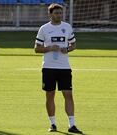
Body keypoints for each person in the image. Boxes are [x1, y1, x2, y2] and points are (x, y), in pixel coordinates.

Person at [34, 3, 82, 134]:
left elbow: (73, 45)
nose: (59, 15)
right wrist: (49, 48)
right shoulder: (44, 29)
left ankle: (72, 125)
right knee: (50, 95)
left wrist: (67, 49)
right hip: (49, 67)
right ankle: (53, 124)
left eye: (60, 13)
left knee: (68, 95)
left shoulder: (67, 27)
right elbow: (36, 48)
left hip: (64, 67)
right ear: (50, 14)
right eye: (56, 13)